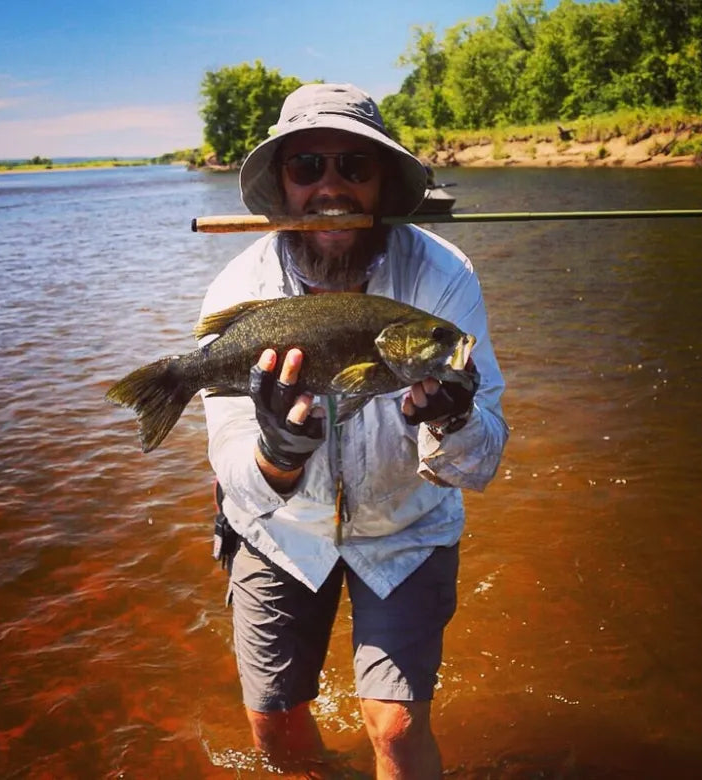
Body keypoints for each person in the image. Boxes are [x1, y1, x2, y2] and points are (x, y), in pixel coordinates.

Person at [199, 83, 508, 779]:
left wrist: (452, 419)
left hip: (405, 526)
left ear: (381, 182)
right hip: (277, 530)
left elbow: (484, 458)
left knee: (395, 728)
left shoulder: (443, 277)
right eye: (307, 167)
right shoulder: (235, 289)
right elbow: (229, 460)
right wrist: (278, 453)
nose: (329, 186)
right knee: (272, 724)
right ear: (282, 182)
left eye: (352, 167)